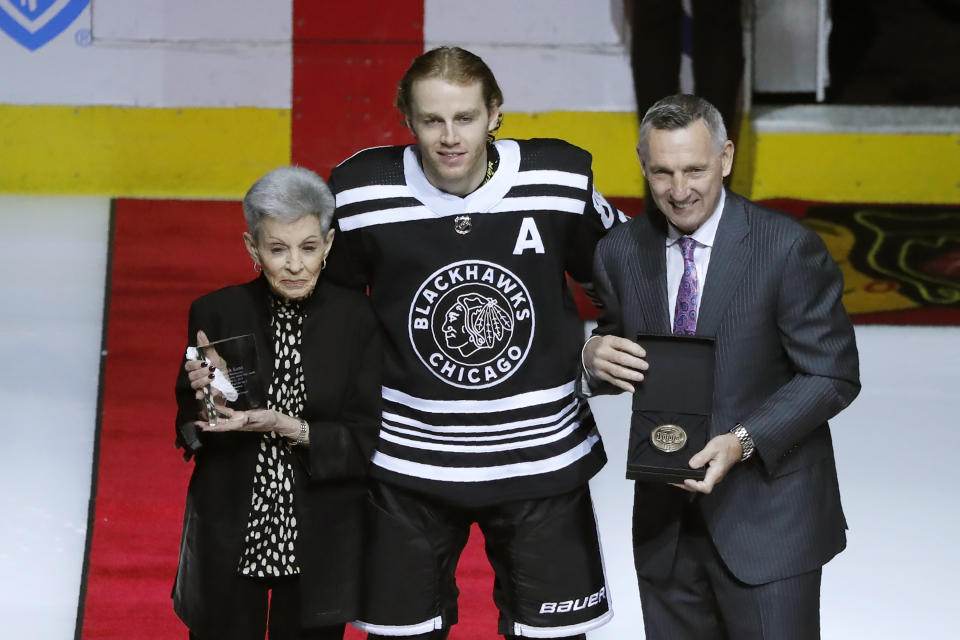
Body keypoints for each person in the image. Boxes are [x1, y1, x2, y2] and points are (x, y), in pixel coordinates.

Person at [325, 46, 626, 639]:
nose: (449, 137)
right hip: (404, 465)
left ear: (495, 114)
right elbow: (328, 314)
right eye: (431, 120)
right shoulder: (359, 193)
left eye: (464, 117)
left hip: (543, 461)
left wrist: (599, 352)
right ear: (405, 119)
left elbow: (635, 281)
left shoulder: (559, 180)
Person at [583, 94, 860, 639]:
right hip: (666, 531)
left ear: (726, 158)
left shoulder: (786, 248)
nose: (679, 190)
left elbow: (832, 374)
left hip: (769, 525)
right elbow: (623, 347)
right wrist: (592, 358)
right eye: (662, 172)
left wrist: (744, 439)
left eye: (694, 169)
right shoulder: (619, 251)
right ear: (643, 166)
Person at [172, 166, 382, 640]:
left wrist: (293, 428)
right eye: (277, 248)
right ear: (252, 249)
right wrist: (206, 399)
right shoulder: (214, 311)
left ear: (328, 245)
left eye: (308, 247)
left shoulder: (358, 319)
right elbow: (189, 426)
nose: (294, 264)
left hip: (321, 533)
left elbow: (367, 437)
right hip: (231, 527)